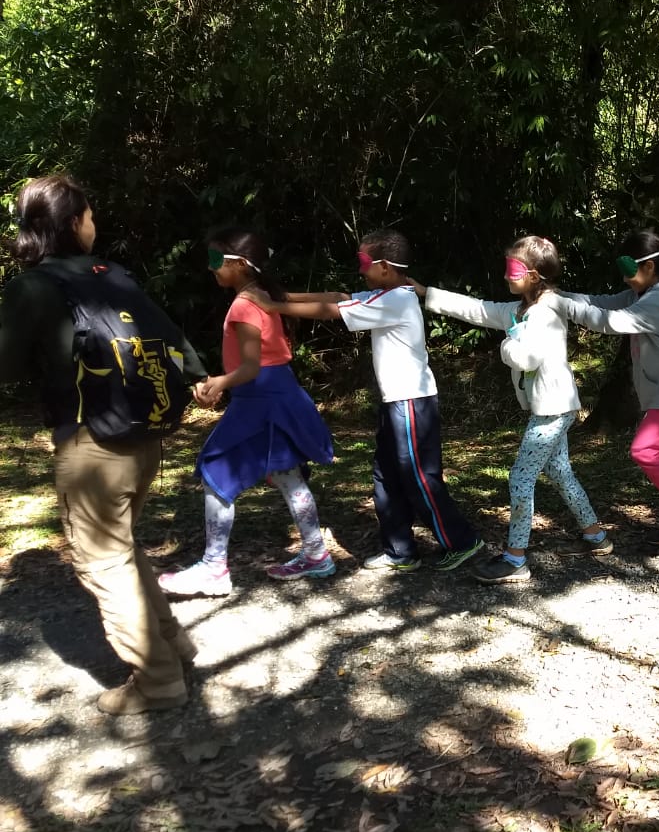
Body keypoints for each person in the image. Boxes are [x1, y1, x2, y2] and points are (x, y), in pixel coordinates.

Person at [0, 175, 205, 714]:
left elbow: (6, 363)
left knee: (102, 562)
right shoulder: (112, 275)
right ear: (71, 223)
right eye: (90, 215)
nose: (95, 225)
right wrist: (199, 379)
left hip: (93, 445)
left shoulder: (34, 287)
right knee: (122, 549)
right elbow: (175, 341)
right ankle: (175, 646)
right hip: (144, 432)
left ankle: (158, 681)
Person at [246, 229, 485, 575]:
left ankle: (461, 541)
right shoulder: (385, 293)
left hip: (411, 401)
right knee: (386, 474)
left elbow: (333, 310)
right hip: (396, 402)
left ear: (385, 267)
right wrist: (279, 295)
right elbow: (339, 295)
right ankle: (400, 551)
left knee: (418, 476)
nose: (360, 269)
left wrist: (274, 306)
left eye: (364, 262)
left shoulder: (396, 300)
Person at [413, 236, 609, 583]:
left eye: (513, 270)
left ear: (534, 275)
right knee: (561, 472)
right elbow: (478, 309)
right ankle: (596, 536)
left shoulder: (545, 311)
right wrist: (427, 293)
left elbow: (525, 357)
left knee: (520, 478)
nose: (506, 275)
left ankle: (515, 558)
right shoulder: (520, 308)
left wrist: (508, 342)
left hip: (552, 409)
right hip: (552, 406)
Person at [158, 227, 336, 596]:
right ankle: (317, 554)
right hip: (281, 393)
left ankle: (213, 569)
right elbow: (337, 298)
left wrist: (219, 383)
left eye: (214, 261)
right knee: (287, 475)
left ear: (239, 264)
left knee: (215, 473)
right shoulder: (262, 294)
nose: (211, 269)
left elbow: (252, 368)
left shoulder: (245, 302)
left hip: (261, 399)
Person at [557, 230, 659, 546]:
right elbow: (598, 303)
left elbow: (610, 322)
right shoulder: (642, 294)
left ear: (650, 267)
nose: (626, 279)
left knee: (645, 449)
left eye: (629, 271)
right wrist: (558, 297)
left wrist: (563, 306)